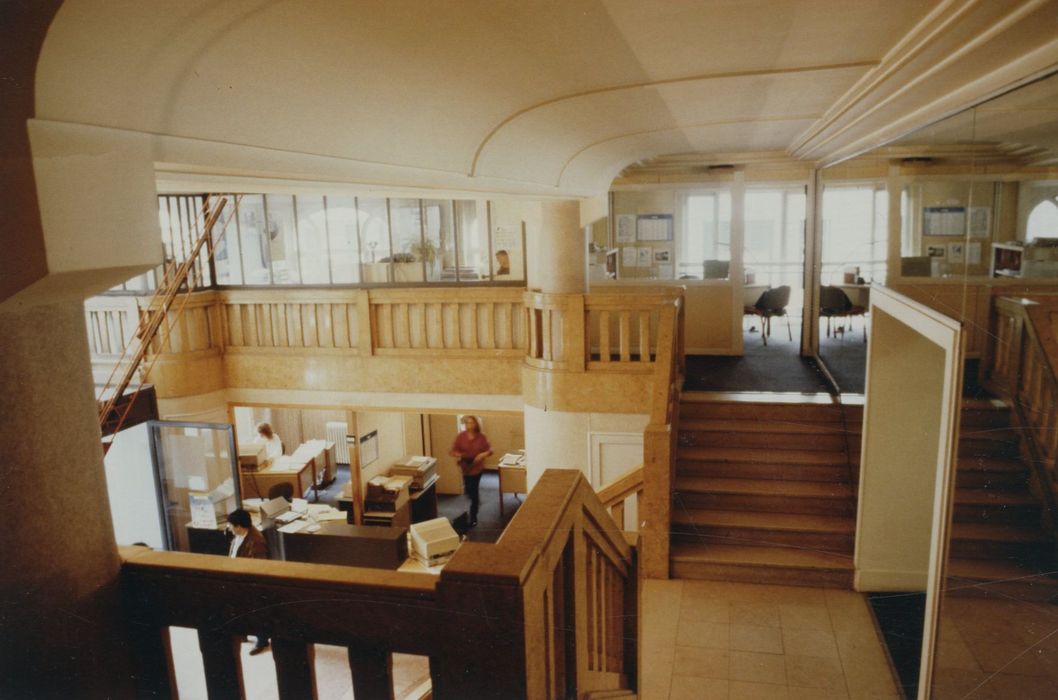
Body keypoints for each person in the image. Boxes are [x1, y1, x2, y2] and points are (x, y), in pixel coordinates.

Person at [227, 508, 271, 655]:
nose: (229, 528)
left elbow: (258, 567)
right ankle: (243, 633)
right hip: (237, 578)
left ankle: (262, 641)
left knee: (256, 612)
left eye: (231, 525)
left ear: (239, 526)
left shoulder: (256, 541)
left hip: (250, 583)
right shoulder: (240, 534)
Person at [448, 415, 492, 527]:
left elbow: (490, 450)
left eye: (472, 423)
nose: (469, 425)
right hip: (465, 467)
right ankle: (475, 499)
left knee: (474, 492)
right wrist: (458, 454)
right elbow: (452, 451)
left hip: (477, 468)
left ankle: (473, 516)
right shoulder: (461, 436)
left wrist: (483, 454)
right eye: (467, 423)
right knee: (469, 490)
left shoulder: (481, 437)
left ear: (476, 424)